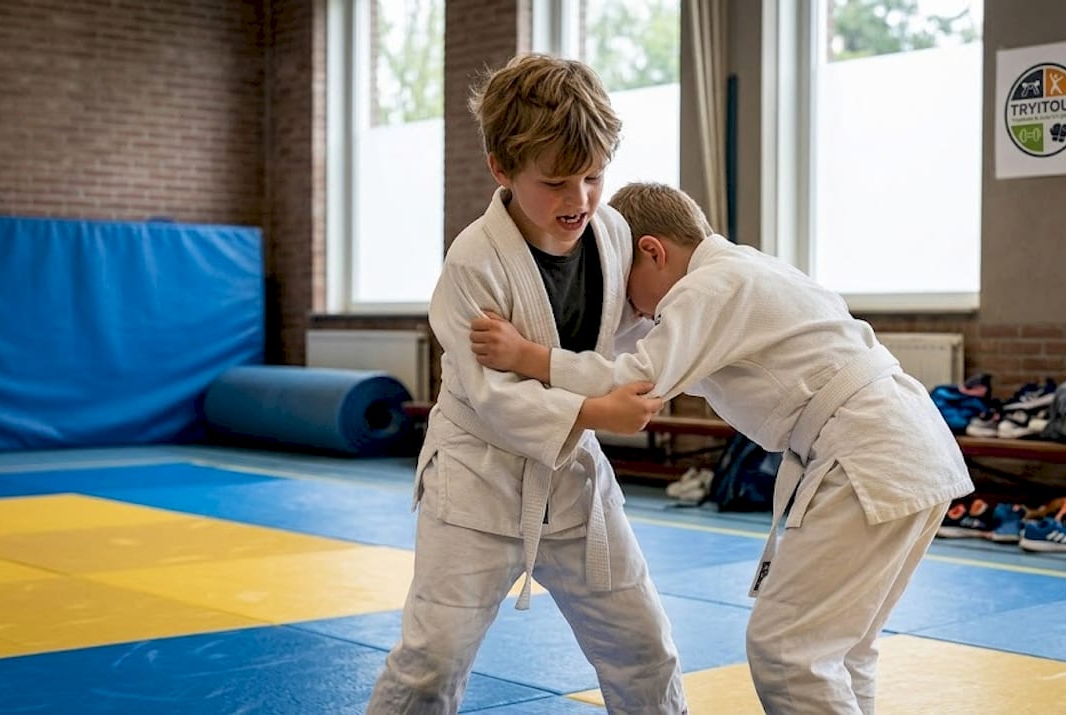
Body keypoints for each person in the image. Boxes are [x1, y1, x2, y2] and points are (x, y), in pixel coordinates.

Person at [470, 182, 975, 714]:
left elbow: (636, 377)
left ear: (652, 251)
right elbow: (634, 350)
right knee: (841, 650)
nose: (632, 313)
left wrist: (527, 355)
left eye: (625, 289)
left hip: (871, 449)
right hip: (907, 443)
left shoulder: (710, 288)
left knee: (787, 651)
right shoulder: (748, 270)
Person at [365, 57, 687, 714]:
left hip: (573, 484)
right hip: (477, 483)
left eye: (594, 176)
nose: (579, 200)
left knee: (646, 647)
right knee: (431, 662)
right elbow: (498, 399)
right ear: (502, 169)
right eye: (557, 181)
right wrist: (599, 407)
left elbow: (620, 335)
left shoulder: (615, 233)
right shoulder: (472, 264)